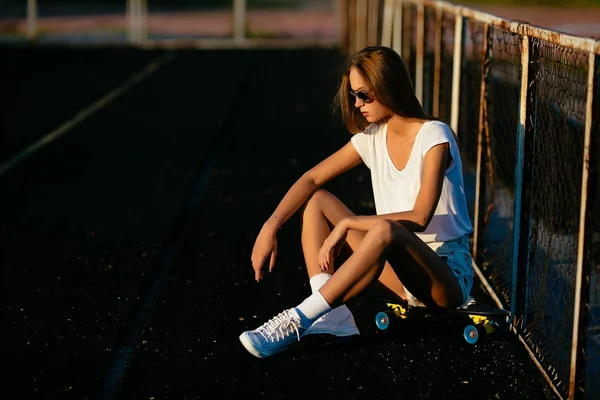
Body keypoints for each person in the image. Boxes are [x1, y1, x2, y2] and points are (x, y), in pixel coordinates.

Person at [239, 45, 474, 359]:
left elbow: (419, 218)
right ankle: (332, 317)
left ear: (388, 87)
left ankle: (298, 318)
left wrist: (349, 223)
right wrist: (271, 225)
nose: (358, 104)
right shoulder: (373, 137)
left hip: (444, 277)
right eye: (354, 95)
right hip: (398, 272)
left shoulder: (434, 135)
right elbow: (311, 179)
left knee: (384, 230)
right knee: (318, 202)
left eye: (364, 95)